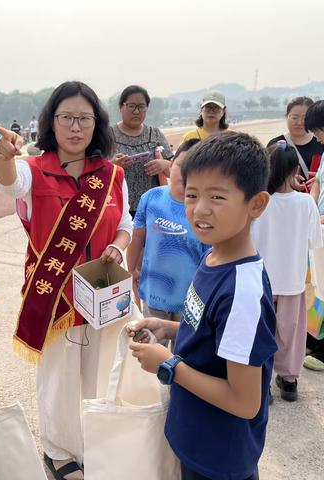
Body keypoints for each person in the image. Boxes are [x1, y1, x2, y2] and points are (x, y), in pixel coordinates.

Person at [0, 80, 132, 480]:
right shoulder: (33, 172)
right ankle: (58, 450)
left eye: (84, 118)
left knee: (97, 370)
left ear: (96, 124)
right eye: (66, 118)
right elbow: (8, 183)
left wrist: (119, 248)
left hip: (101, 291)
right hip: (54, 293)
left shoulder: (110, 176)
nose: (75, 127)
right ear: (51, 123)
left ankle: (91, 444)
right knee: (59, 376)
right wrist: (4, 156)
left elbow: (124, 224)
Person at [128, 132, 277, 480]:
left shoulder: (242, 290)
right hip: (196, 435)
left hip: (220, 455)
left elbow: (244, 401)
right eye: (192, 195)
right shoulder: (213, 255)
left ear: (255, 204)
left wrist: (169, 366)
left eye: (217, 197)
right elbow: (215, 335)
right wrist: (168, 328)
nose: (200, 209)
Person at [252, 141, 322, 401]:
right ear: (295, 170)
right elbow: (316, 241)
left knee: (260, 331)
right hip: (292, 281)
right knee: (291, 333)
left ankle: (262, 383)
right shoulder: (306, 203)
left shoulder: (258, 202)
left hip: (261, 280)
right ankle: (289, 380)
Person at [127, 138, 208, 326]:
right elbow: (138, 237)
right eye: (182, 165)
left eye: (195, 169)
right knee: (151, 343)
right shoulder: (151, 197)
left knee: (183, 351)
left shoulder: (205, 210)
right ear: (170, 165)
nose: (186, 174)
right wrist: (131, 270)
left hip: (191, 299)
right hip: (154, 293)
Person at [111, 85, 173, 217]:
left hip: (152, 208)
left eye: (141, 106)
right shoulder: (108, 136)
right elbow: (94, 171)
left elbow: (174, 169)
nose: (136, 111)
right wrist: (113, 166)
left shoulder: (155, 134)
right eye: (131, 106)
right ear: (121, 107)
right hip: (116, 208)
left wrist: (163, 164)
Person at [304, 100, 324, 371]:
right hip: (319, 229)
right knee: (317, 287)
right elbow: (317, 183)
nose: (317, 136)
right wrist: (310, 208)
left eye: (319, 130)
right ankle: (316, 339)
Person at [268, 97, 324, 191]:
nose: (299, 122)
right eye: (294, 117)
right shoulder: (275, 144)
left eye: (304, 118)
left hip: (317, 200)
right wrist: (287, 182)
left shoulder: (321, 141)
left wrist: (319, 180)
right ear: (287, 117)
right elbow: (267, 176)